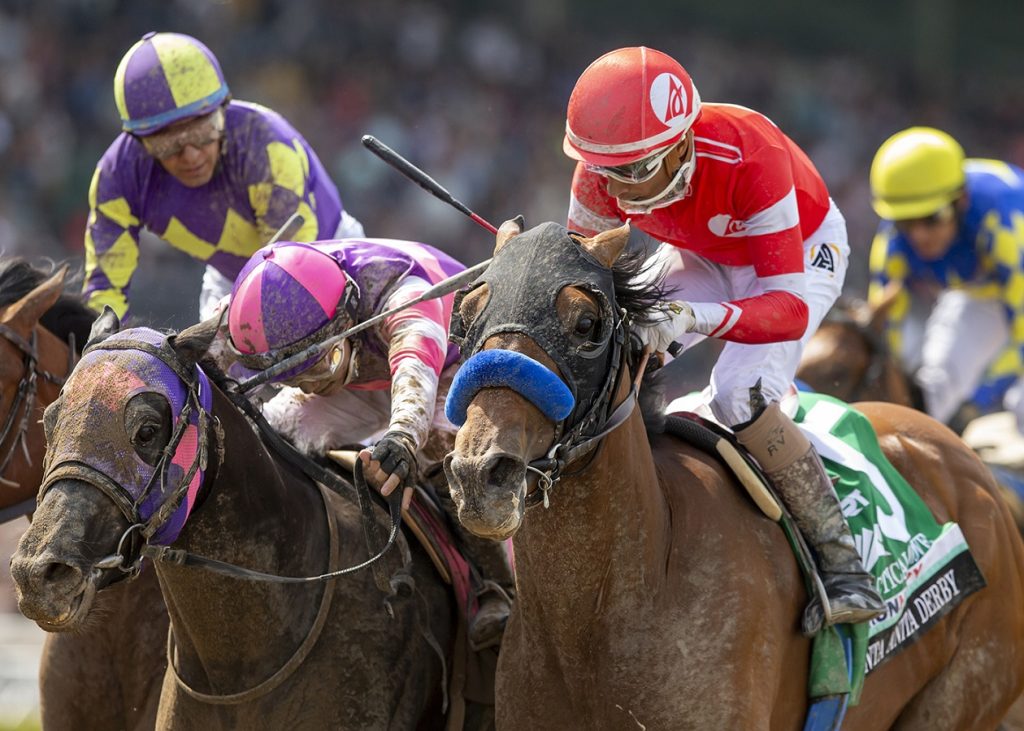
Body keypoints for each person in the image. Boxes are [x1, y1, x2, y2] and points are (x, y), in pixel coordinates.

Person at [563, 46, 883, 634]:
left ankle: (843, 564)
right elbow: (578, 278)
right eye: (608, 172)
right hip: (704, 255)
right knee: (602, 343)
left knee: (739, 391)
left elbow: (785, 308)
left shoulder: (749, 150)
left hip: (798, 257)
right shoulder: (602, 167)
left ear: (681, 143)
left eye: (635, 172)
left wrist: (693, 317)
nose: (619, 192)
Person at [226, 238, 514, 648]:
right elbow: (213, 350)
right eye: (296, 378)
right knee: (268, 433)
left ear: (345, 318)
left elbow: (416, 365)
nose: (315, 387)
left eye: (321, 365)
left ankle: (497, 587)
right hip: (365, 372)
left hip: (452, 363)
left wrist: (401, 436)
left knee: (437, 454)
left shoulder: (404, 293)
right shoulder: (262, 302)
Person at [83, 31, 364, 321]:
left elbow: (294, 266)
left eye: (202, 132)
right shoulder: (118, 176)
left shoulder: (267, 145)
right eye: (168, 143)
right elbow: (104, 291)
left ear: (223, 109)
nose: (191, 155)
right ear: (140, 141)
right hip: (231, 280)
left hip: (327, 256)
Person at [868, 126, 1024, 432]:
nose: (919, 235)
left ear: (961, 200)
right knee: (934, 387)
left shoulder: (1003, 223)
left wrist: (981, 397)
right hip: (981, 292)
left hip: (1017, 286)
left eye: (932, 218)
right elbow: (885, 336)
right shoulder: (891, 245)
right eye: (905, 222)